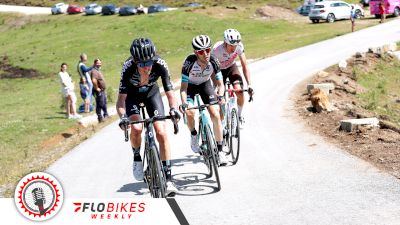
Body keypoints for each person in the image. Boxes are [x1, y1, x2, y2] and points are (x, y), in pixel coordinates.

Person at [116, 37, 180, 196]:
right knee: (137, 128)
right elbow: (120, 101)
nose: (147, 68)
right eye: (142, 64)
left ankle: (169, 178)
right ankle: (137, 156)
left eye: (149, 62)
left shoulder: (160, 64)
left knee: (161, 132)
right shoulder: (127, 68)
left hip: (152, 94)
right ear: (135, 62)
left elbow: (170, 92)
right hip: (132, 97)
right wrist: (123, 117)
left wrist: (173, 109)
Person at [179, 35, 228, 165]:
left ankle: (220, 150)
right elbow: (183, 89)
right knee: (190, 112)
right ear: (196, 52)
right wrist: (184, 103)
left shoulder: (213, 60)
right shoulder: (189, 63)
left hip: (205, 85)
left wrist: (221, 96)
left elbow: (220, 84)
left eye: (208, 50)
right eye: (201, 51)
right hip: (190, 87)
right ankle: (194, 134)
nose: (205, 54)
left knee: (215, 114)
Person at [212, 29, 254, 128]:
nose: (234, 48)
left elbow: (244, 66)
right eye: (231, 45)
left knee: (239, 91)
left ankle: (239, 116)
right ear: (225, 43)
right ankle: (222, 123)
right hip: (218, 70)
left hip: (231, 67)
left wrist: (249, 85)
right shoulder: (217, 50)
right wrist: (216, 85)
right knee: (220, 97)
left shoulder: (239, 46)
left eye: (235, 45)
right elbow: (211, 70)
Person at [91, 59, 109, 123]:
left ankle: (106, 115)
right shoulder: (94, 71)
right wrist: (96, 88)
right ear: (95, 63)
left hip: (102, 90)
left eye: (100, 63)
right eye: (98, 63)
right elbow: (93, 80)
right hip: (98, 91)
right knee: (100, 104)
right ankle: (100, 117)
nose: (99, 64)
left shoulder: (98, 70)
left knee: (104, 103)